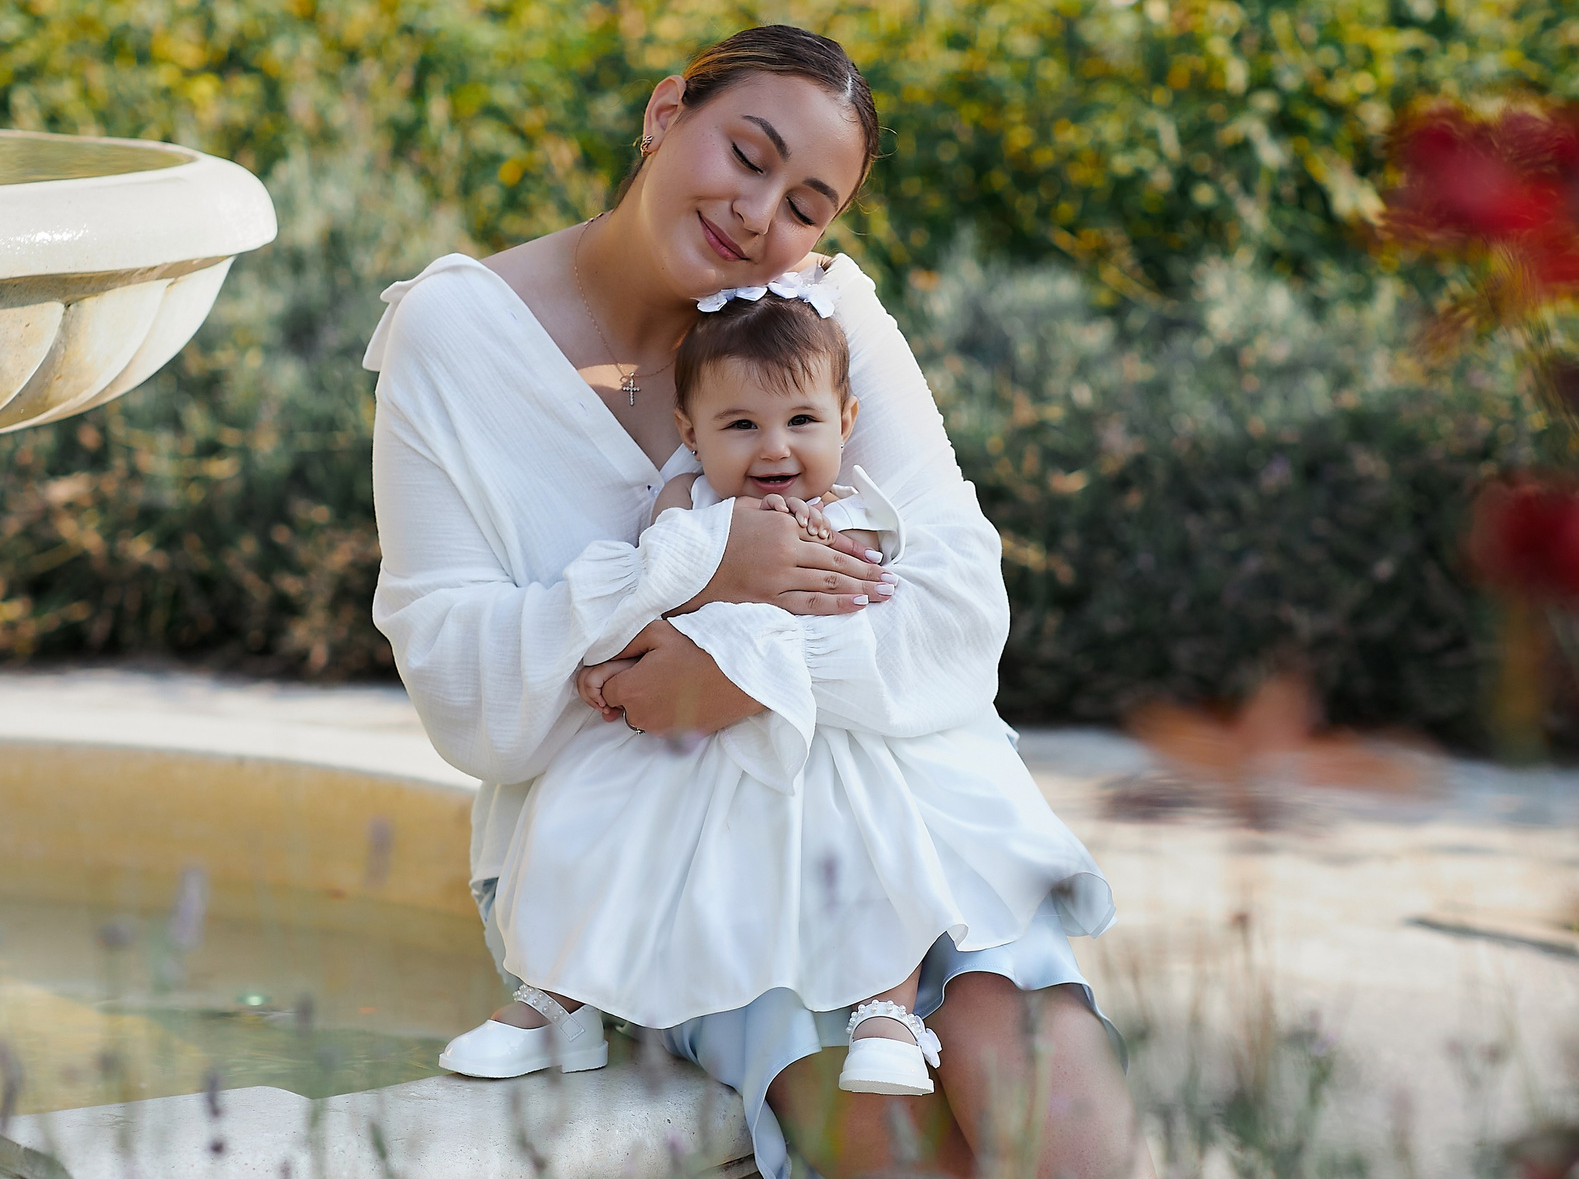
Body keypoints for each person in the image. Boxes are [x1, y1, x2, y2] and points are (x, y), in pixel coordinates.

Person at [366, 24, 1178, 1179]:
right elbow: (469, 702)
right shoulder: (456, 336)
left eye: (809, 201)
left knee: (1029, 1055)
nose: (759, 216)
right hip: (662, 842)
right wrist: (687, 573)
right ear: (665, 112)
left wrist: (738, 671)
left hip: (907, 796)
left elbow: (962, 612)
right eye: (746, 156)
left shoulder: (827, 320)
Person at [436, 276, 1113, 1101]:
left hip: (821, 731)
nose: (774, 450)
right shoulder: (685, 510)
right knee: (594, 808)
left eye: (801, 422)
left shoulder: (849, 516)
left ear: (846, 423)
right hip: (695, 750)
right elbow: (642, 596)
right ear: (691, 431)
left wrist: (740, 652)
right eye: (740, 426)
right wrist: (620, 662)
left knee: (877, 831)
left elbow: (866, 623)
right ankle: (558, 1000)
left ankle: (888, 1012)